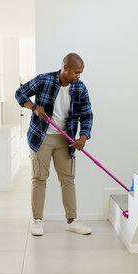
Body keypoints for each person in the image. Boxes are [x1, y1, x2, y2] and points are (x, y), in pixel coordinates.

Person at [15, 53, 93, 236]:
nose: (78, 76)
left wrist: (83, 137)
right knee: (39, 178)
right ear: (65, 67)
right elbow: (19, 93)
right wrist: (33, 107)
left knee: (68, 179)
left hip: (65, 140)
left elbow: (87, 114)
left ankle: (72, 221)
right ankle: (36, 221)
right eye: (76, 72)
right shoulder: (45, 80)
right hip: (41, 137)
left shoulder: (80, 88)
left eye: (80, 73)